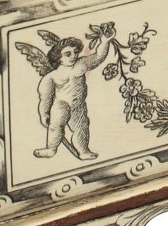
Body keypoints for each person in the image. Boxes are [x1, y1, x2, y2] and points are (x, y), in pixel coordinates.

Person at [32, 31, 114, 160]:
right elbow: (45, 97)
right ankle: (51, 149)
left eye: (75, 52)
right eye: (68, 54)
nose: (73, 56)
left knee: (81, 127)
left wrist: (105, 41)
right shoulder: (52, 76)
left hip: (78, 105)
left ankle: (83, 151)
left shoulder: (82, 63)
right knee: (55, 127)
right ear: (59, 57)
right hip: (61, 104)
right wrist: (44, 114)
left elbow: (99, 57)